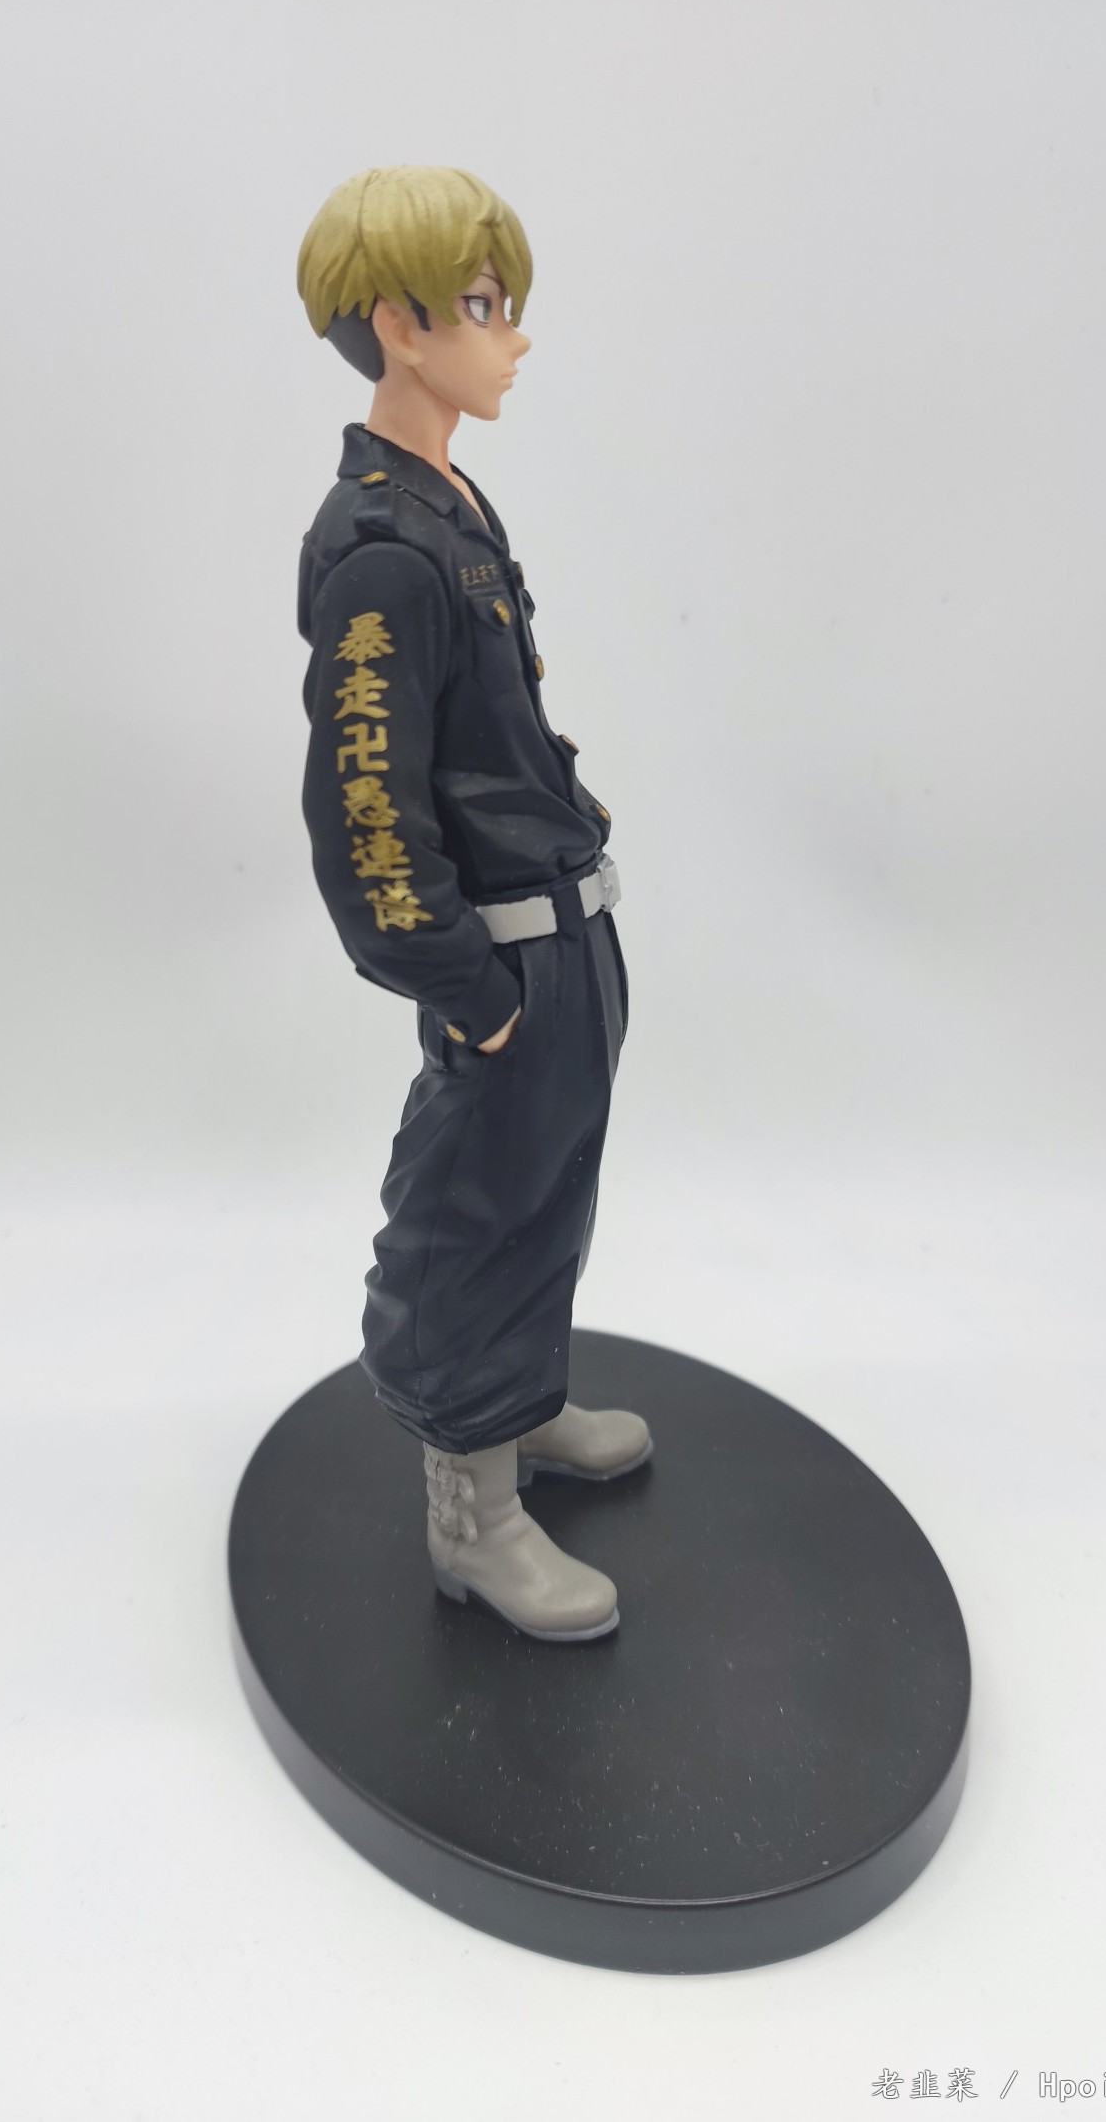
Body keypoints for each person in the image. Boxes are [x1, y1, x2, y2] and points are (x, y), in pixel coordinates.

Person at [296, 166, 650, 1643]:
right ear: (398, 323)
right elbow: (367, 816)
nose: (514, 336)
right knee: (471, 1217)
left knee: (549, 1196)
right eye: (485, 305)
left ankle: (519, 1401)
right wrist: (473, 994)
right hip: (503, 963)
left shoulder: (449, 505)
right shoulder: (382, 550)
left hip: (562, 943)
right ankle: (470, 1508)